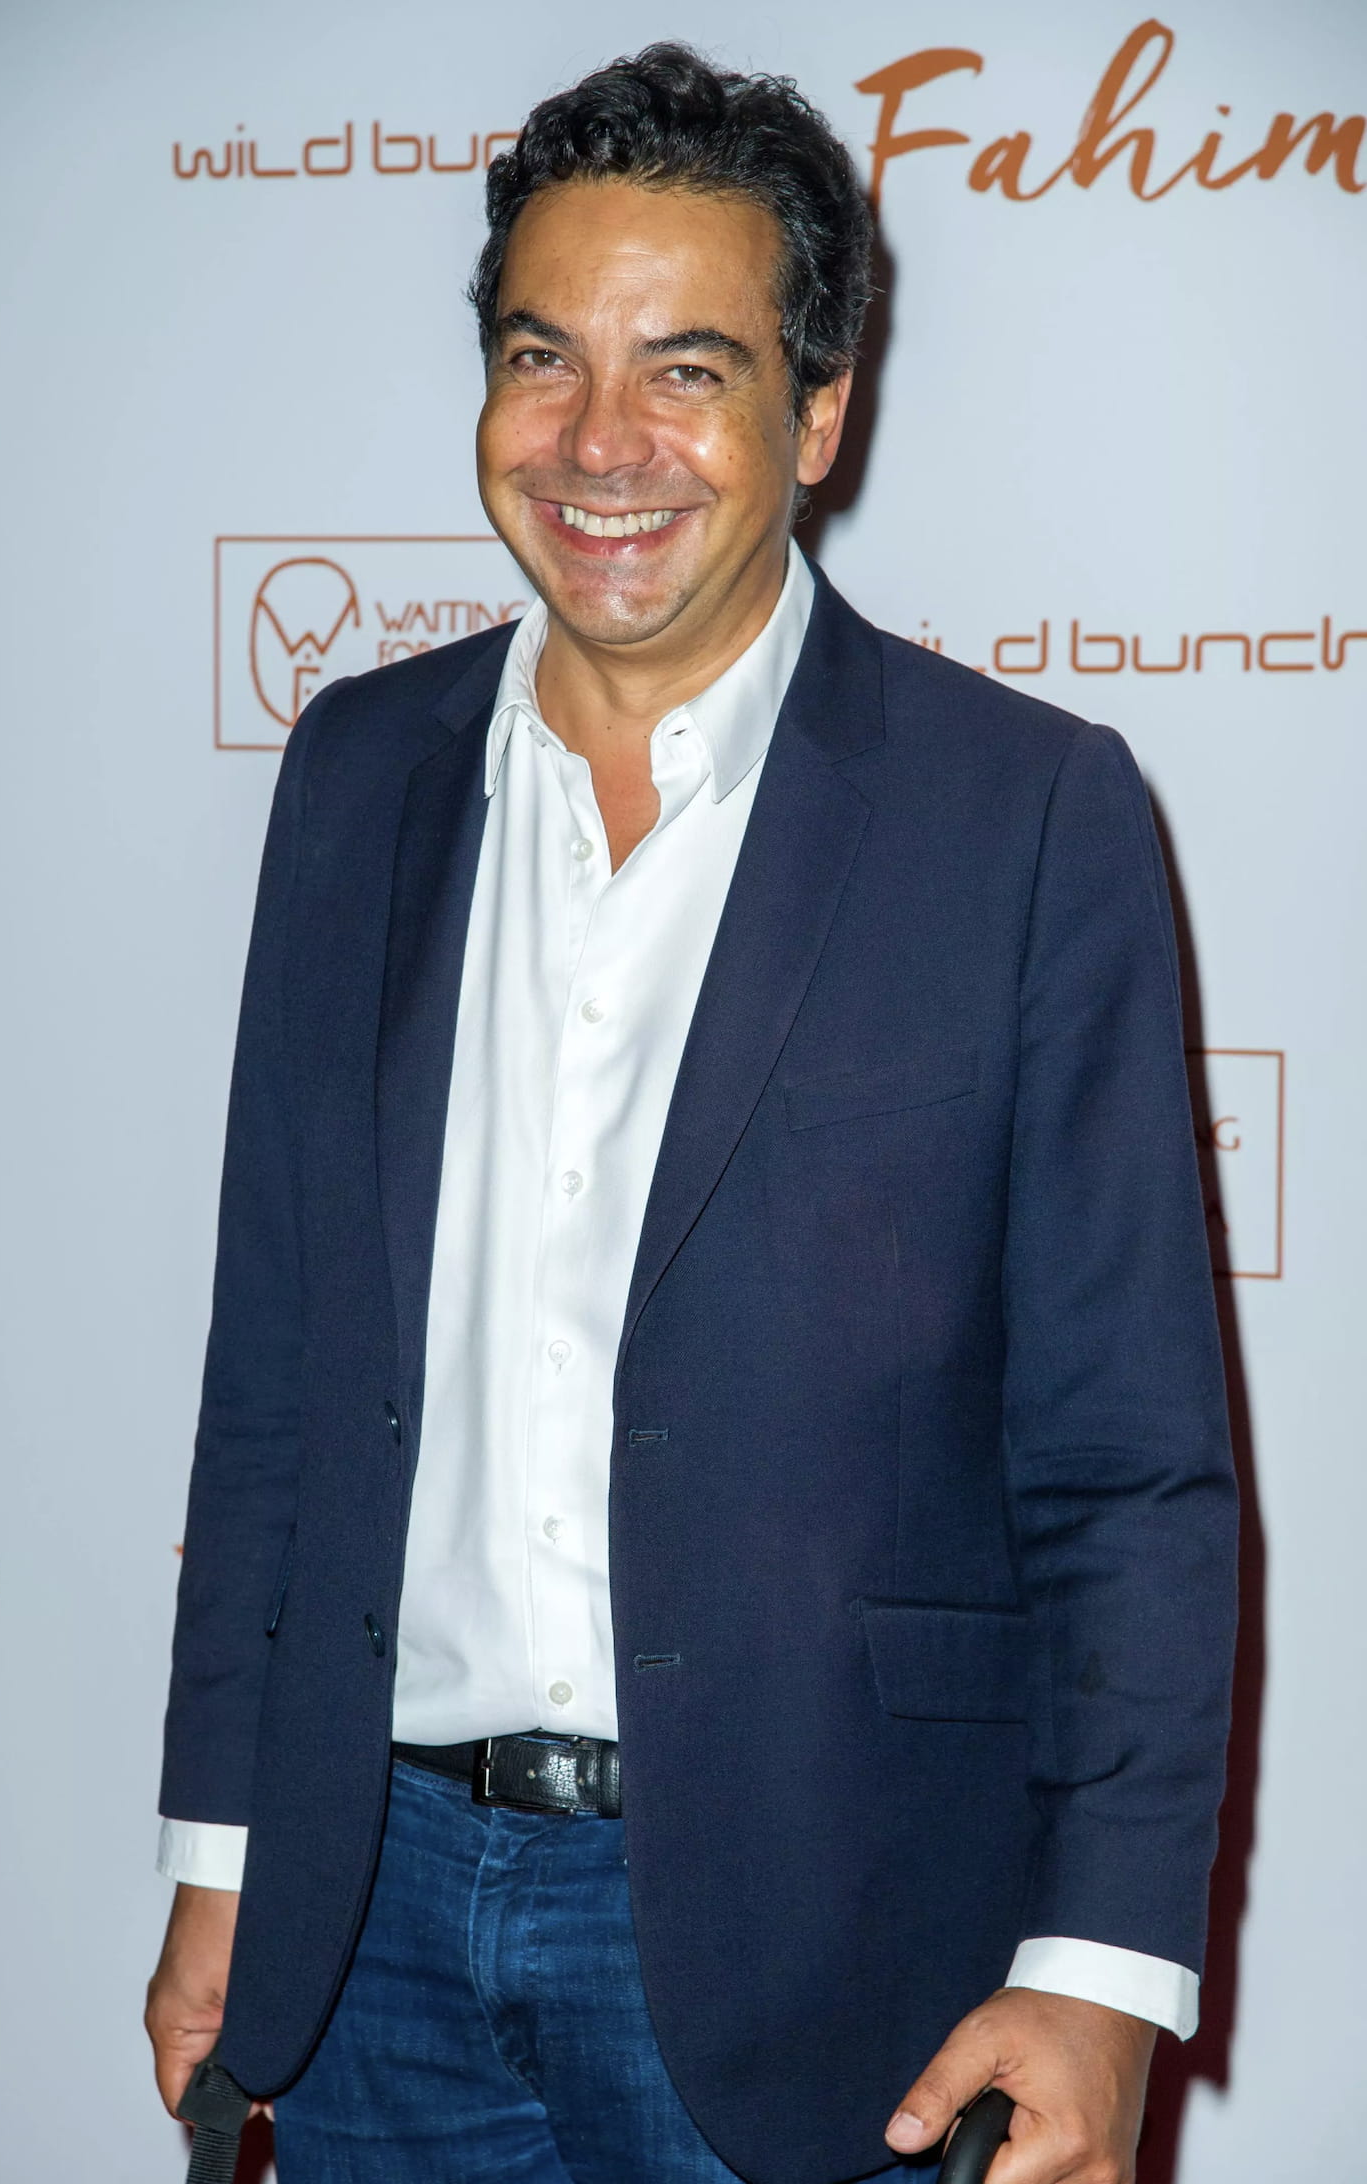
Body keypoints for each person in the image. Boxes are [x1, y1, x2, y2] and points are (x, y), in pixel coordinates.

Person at [145, 44, 1237, 2184]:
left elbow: (1125, 1466)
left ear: (817, 416)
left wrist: (1102, 1969)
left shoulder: (1024, 817)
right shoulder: (354, 775)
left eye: (688, 370)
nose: (597, 443)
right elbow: (273, 1377)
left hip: (835, 1944)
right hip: (367, 1932)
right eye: (541, 356)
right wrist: (222, 1845)